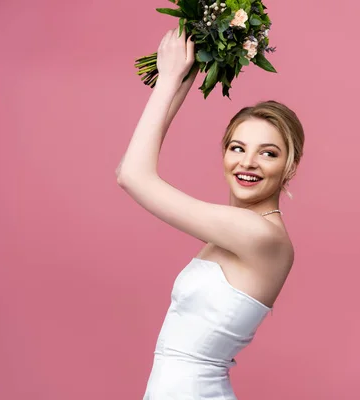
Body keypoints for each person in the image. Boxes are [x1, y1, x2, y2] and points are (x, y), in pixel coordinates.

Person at [115, 28, 304, 399]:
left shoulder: (259, 236)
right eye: (237, 147)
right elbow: (129, 167)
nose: (248, 162)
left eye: (268, 153)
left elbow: (131, 176)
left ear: (290, 168)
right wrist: (184, 76)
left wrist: (168, 79)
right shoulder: (233, 229)